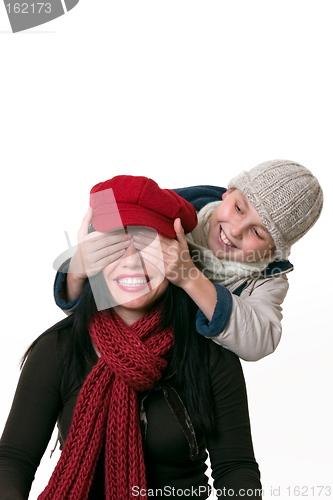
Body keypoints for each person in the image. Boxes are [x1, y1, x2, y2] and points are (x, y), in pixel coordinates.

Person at [0, 175, 262, 500]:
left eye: (148, 245)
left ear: (176, 257)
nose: (131, 261)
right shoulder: (59, 348)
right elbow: (13, 461)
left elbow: (235, 469)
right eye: (113, 245)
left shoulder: (211, 354)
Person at [55, 160, 323, 361]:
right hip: (119, 350)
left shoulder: (267, 279)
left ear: (271, 252)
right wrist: (78, 271)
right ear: (228, 193)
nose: (236, 229)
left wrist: (189, 277)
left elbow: (260, 341)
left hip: (188, 369)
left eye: (257, 232)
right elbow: (103, 298)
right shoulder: (169, 210)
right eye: (239, 208)